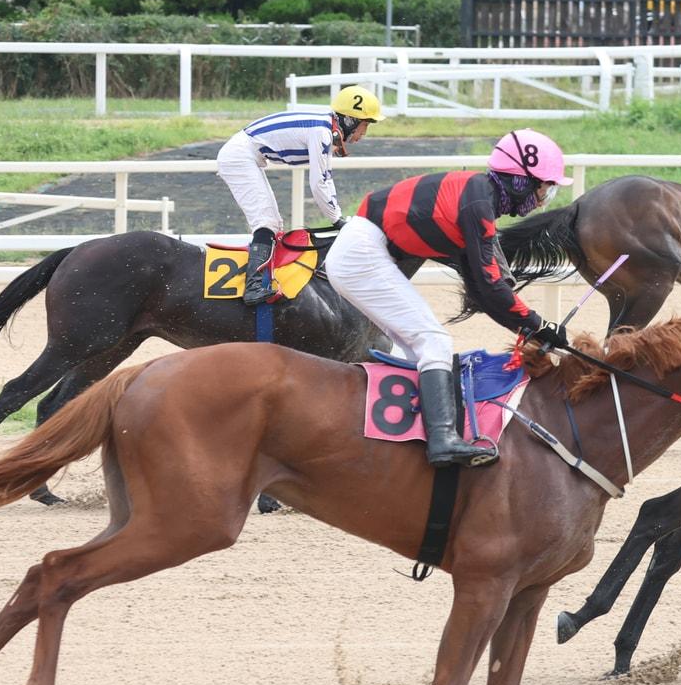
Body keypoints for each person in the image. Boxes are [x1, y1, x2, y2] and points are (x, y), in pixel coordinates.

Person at [325, 129, 572, 468]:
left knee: (415, 351)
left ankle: (403, 443)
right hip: (362, 254)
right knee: (433, 341)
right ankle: (442, 441)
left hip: (362, 250)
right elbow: (491, 287)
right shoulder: (478, 205)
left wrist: (531, 329)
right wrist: (537, 324)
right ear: (520, 182)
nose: (545, 196)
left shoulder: (478, 197)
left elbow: (485, 291)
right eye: (544, 186)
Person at [217, 85, 383, 306]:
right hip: (239, 156)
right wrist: (338, 221)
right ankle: (253, 286)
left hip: (244, 154)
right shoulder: (322, 132)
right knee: (266, 222)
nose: (364, 134)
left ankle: (264, 280)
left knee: (273, 223)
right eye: (364, 126)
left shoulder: (325, 128)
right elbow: (319, 183)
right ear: (350, 120)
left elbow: (324, 180)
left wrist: (338, 218)